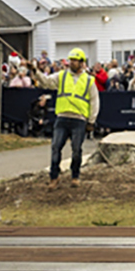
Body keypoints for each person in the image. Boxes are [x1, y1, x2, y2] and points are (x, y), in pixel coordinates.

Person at [40, 47, 99, 183]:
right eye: (70, 60)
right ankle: (54, 176)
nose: (71, 63)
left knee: (76, 150)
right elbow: (46, 82)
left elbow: (95, 101)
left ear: (82, 62)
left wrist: (91, 121)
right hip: (62, 118)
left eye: (75, 60)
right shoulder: (61, 75)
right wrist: (35, 72)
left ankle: (75, 176)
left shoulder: (89, 80)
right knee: (55, 147)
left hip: (79, 120)